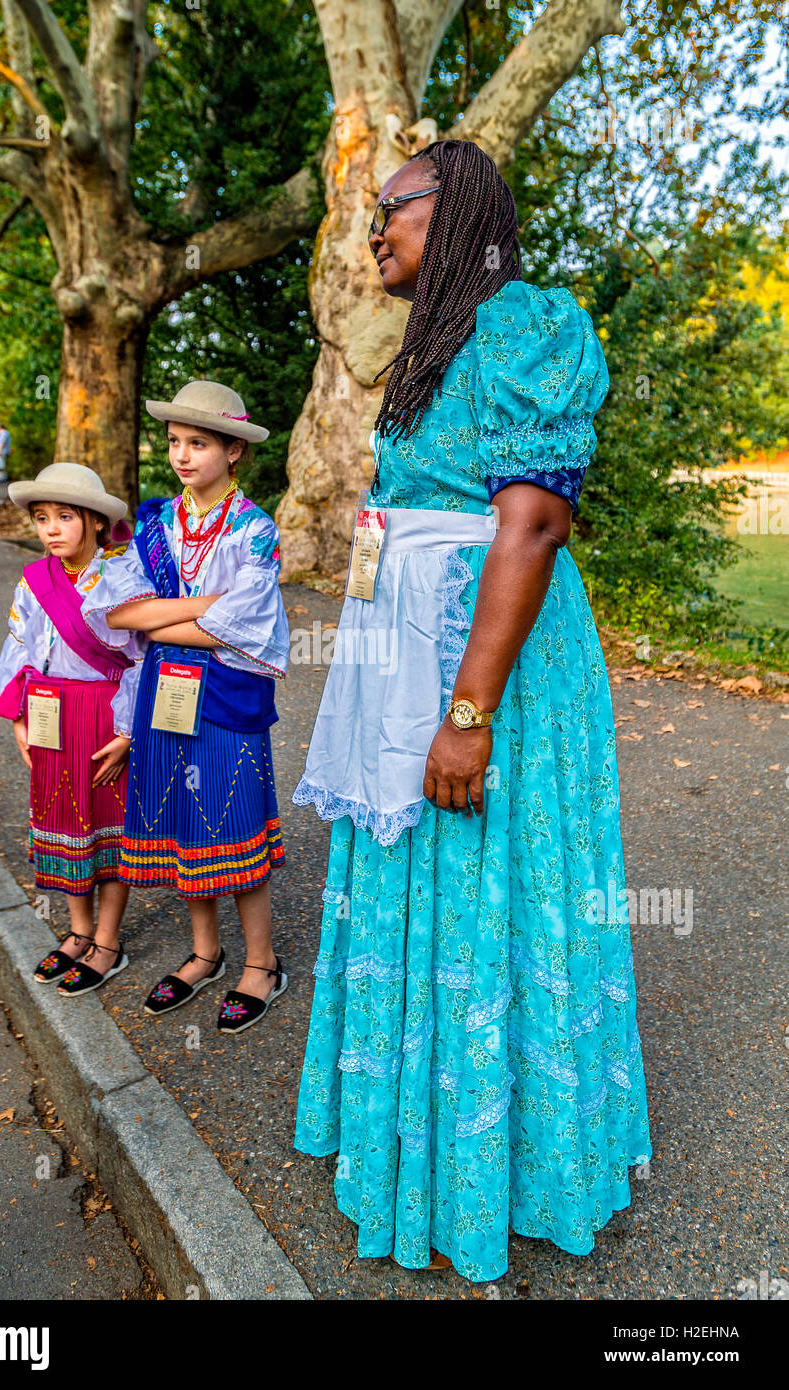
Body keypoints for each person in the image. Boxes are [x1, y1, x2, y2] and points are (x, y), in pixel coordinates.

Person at [293, 139, 652, 1283]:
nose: (373, 234)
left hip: (480, 677)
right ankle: (429, 1143)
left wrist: (468, 710)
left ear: (451, 211)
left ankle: (503, 1168)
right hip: (406, 664)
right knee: (424, 892)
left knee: (489, 886)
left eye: (388, 210)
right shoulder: (435, 344)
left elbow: (533, 525)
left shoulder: (527, 323)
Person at [80, 381, 290, 1033]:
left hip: (226, 697)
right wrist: (208, 607)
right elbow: (115, 612)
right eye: (174, 442)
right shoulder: (153, 525)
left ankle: (262, 963)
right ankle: (205, 952)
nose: (181, 454)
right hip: (161, 697)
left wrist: (160, 619)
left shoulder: (256, 529)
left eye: (197, 442)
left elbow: (246, 627)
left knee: (230, 821)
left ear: (233, 450)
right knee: (180, 825)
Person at [0, 462, 144, 995]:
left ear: (97, 522)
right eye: (42, 518)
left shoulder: (123, 578)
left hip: (105, 713)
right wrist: (18, 717)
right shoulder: (33, 581)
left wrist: (128, 733)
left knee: (109, 824)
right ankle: (77, 932)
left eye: (65, 517)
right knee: (62, 821)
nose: (51, 529)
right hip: (49, 714)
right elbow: (19, 648)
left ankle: (107, 939)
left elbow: (145, 657)